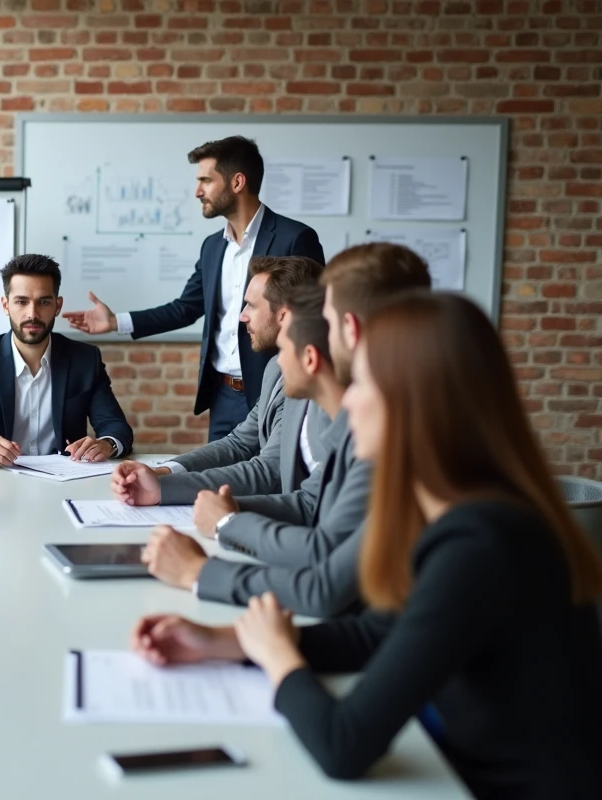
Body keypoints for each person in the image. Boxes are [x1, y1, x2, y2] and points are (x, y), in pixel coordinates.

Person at [131, 292, 602, 797]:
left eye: (364, 384)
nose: (347, 401)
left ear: (413, 403)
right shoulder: (462, 513)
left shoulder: (480, 544)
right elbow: (377, 635)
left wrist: (279, 658)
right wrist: (227, 643)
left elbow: (343, 744)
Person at [136, 243, 431, 617]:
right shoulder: (310, 384)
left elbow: (324, 574)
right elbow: (311, 502)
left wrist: (217, 540)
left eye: (325, 314)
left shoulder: (381, 424)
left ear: (348, 329)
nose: (316, 327)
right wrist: (212, 504)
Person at [64, 136, 326, 441]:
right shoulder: (213, 247)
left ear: (237, 182)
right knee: (217, 480)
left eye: (205, 180)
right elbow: (186, 307)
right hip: (222, 395)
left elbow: (311, 318)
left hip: (275, 390)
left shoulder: (295, 239)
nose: (197, 191)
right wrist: (115, 322)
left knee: (267, 482)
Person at [142, 284, 371, 594]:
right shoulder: (289, 382)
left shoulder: (369, 435)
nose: (279, 360)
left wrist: (224, 528)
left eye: (285, 347)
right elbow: (309, 502)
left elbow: (323, 576)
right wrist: (220, 507)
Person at [112, 255, 328, 506]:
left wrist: (163, 489)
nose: (242, 316)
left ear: (283, 315)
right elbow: (238, 443)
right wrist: (166, 472)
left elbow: (270, 469)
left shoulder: (311, 378)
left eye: (252, 306)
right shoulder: (275, 367)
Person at [0, 254, 134, 466]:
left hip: (65, 481)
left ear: (57, 306)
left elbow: (116, 427)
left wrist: (107, 444)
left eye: (43, 302)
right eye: (21, 302)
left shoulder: (85, 359)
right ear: (6, 305)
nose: (32, 314)